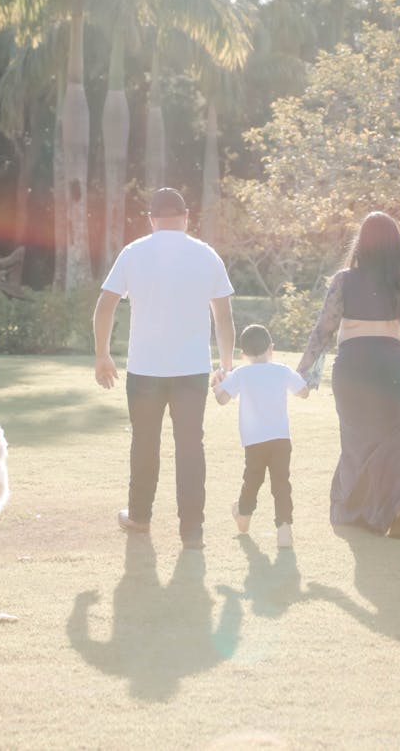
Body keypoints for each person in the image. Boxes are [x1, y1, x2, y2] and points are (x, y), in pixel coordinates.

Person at [93, 187, 235, 550]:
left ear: (152, 219)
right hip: (192, 370)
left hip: (145, 369)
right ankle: (193, 531)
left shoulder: (133, 252)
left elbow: (106, 304)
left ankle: (139, 517)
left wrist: (102, 354)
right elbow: (223, 317)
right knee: (191, 447)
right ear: (186, 217)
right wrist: (227, 364)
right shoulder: (206, 255)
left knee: (144, 443)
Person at [297, 211, 400, 539]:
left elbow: (324, 328)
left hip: (354, 369)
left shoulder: (344, 280)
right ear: (396, 246)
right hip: (390, 368)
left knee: (356, 440)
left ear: (361, 242)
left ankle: (358, 513)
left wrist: (306, 373)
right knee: (394, 440)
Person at [213, 323, 309, 549]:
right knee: (281, 484)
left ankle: (243, 516)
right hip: (280, 439)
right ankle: (284, 529)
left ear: (243, 354)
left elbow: (222, 399)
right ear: (271, 348)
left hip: (254, 442)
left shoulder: (240, 373)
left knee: (252, 480)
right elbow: (303, 392)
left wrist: (217, 385)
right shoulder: (282, 370)